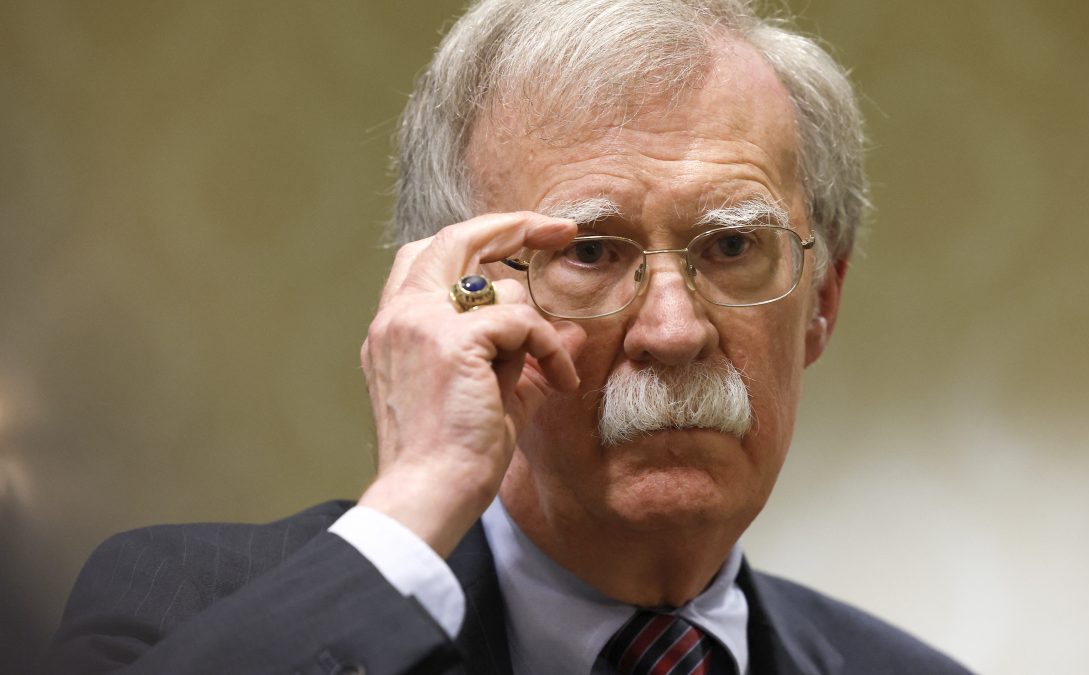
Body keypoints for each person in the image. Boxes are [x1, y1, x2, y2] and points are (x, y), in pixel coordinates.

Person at [49, 1, 972, 673]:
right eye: (592, 252)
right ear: (458, 304)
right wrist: (417, 497)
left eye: (733, 245)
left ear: (822, 303)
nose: (674, 329)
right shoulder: (177, 606)